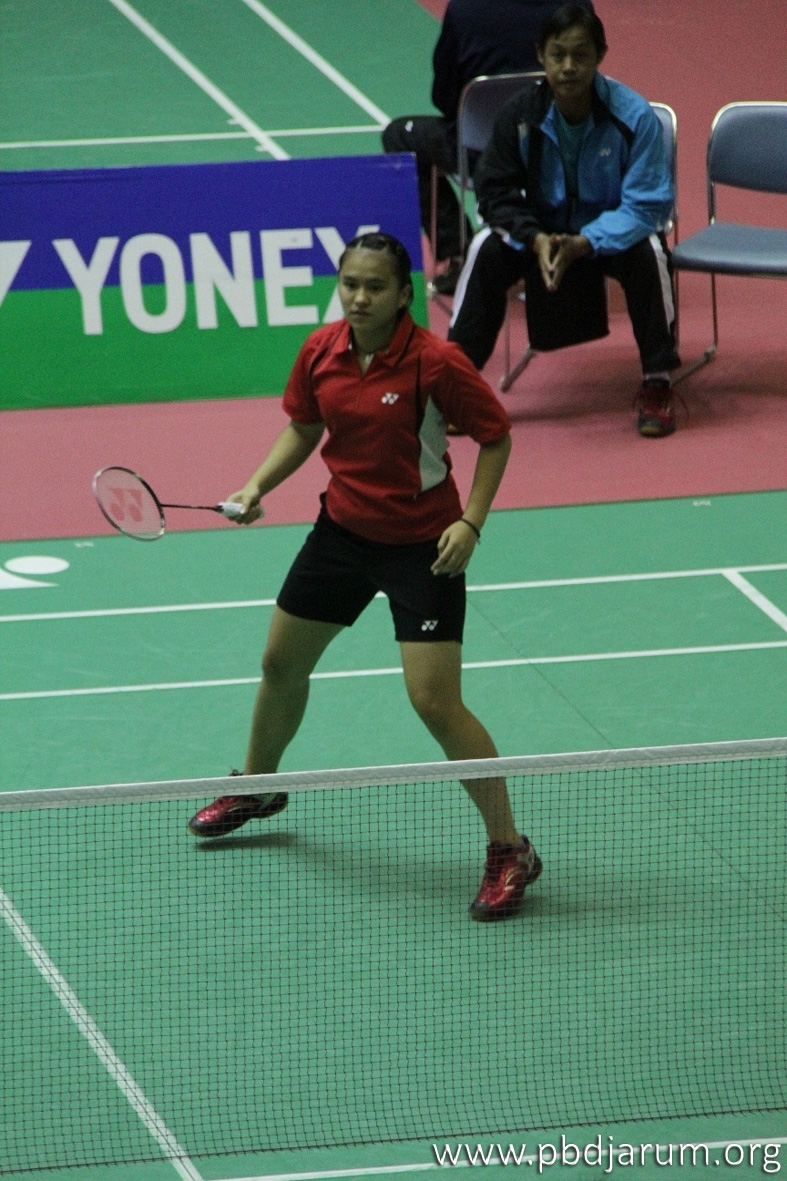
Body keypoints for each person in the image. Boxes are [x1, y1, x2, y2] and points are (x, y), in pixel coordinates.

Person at [187, 232, 541, 921]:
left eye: (374, 287)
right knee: (280, 663)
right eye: (349, 283)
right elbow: (304, 426)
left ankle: (510, 846)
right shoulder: (321, 351)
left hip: (423, 546)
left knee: (435, 702)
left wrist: (470, 523)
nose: (358, 297)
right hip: (343, 534)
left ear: (404, 294)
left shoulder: (436, 363)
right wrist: (256, 485)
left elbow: (495, 437)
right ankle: (258, 784)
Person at [448, 4, 682, 438]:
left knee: (650, 253)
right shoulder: (519, 115)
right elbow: (495, 193)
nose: (569, 66)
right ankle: (456, 385)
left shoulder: (634, 116)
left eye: (580, 55)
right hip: (541, 234)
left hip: (608, 233)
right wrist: (536, 238)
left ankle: (657, 381)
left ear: (600, 56)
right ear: (542, 55)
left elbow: (647, 205)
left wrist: (587, 241)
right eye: (558, 54)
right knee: (485, 248)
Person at [381, 0, 594, 295]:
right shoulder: (576, 5)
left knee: (399, 136)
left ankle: (458, 255)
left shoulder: (465, 8)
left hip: (482, 156)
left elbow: (445, 97)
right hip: (564, 148)